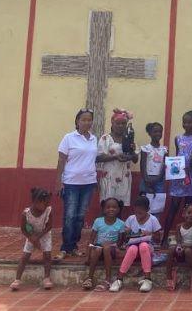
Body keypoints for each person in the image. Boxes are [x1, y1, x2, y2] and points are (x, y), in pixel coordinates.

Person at [54, 108, 99, 260]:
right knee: (70, 216)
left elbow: (93, 160)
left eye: (89, 120)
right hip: (71, 182)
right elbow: (61, 160)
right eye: (83, 119)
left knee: (80, 216)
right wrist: (58, 181)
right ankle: (65, 248)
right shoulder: (69, 138)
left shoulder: (94, 139)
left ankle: (73, 246)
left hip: (88, 183)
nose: (87, 122)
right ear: (77, 121)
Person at [110, 195, 162, 293]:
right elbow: (125, 238)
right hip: (132, 249)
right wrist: (127, 232)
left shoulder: (153, 220)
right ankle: (119, 279)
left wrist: (149, 234)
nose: (138, 215)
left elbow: (158, 239)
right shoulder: (131, 219)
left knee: (143, 245)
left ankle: (147, 279)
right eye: (136, 212)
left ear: (148, 210)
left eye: (141, 213)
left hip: (147, 249)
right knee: (133, 248)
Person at [163, 110, 192, 244]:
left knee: (190, 208)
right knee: (173, 207)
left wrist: (191, 167)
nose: (186, 124)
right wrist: (174, 167)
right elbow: (178, 155)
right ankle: (164, 238)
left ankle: (189, 239)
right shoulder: (178, 138)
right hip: (179, 177)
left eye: (189, 122)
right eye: (184, 122)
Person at [10, 187, 53, 291]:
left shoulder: (48, 210)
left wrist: (38, 238)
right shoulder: (26, 214)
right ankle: (17, 279)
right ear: (36, 202)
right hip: (31, 235)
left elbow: (49, 226)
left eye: (48, 203)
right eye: (45, 203)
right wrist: (31, 238)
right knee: (25, 256)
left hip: (44, 234)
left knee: (47, 255)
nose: (47, 205)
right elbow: (23, 229)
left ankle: (47, 278)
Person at [83, 197, 126, 292]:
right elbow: (91, 239)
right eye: (108, 207)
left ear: (118, 209)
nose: (111, 209)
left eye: (114, 207)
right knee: (98, 248)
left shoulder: (121, 223)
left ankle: (108, 279)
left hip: (111, 250)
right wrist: (88, 255)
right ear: (103, 209)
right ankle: (89, 278)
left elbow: (120, 241)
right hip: (99, 249)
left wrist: (113, 245)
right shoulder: (98, 221)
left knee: (106, 247)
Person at [98, 109, 138, 206]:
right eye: (118, 123)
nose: (121, 126)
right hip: (109, 178)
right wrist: (115, 157)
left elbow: (135, 160)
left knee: (120, 206)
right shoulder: (106, 138)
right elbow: (99, 157)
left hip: (124, 177)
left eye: (123, 123)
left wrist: (132, 152)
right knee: (107, 207)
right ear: (112, 122)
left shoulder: (129, 139)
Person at [165, 203, 192, 291]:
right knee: (171, 249)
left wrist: (185, 246)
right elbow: (179, 241)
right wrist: (179, 247)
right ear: (184, 213)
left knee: (188, 250)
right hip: (182, 251)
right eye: (189, 213)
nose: (190, 215)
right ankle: (169, 277)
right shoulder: (178, 226)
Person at [139, 122, 166, 196]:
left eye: (160, 131)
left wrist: (159, 177)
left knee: (158, 203)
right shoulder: (145, 149)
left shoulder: (164, 150)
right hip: (147, 179)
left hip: (159, 180)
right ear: (149, 133)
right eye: (155, 132)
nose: (158, 133)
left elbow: (164, 166)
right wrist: (147, 180)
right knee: (145, 203)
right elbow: (142, 165)